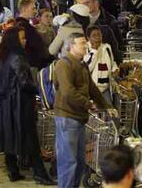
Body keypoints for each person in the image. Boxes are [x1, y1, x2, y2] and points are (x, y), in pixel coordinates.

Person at [53, 33, 115, 188]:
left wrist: (107, 106)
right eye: (82, 43)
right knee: (69, 162)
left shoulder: (82, 64)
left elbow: (92, 89)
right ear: (71, 46)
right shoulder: (63, 64)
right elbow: (67, 92)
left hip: (79, 119)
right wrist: (88, 104)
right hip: (67, 118)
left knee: (80, 162)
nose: (86, 45)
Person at [0, 26, 55, 185]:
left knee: (9, 135)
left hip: (6, 103)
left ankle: (13, 170)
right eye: (22, 38)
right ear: (15, 40)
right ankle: (40, 173)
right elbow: (24, 82)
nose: (25, 40)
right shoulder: (18, 57)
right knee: (31, 138)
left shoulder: (2, 56)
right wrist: (39, 90)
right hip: (20, 104)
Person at [82, 0, 123, 64]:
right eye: (83, 3)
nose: (84, 6)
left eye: (87, 3)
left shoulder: (110, 21)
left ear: (96, 3)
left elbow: (118, 43)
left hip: (105, 61)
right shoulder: (82, 21)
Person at [84, 25, 118, 103]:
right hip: (91, 90)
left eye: (99, 35)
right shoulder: (86, 48)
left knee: (109, 111)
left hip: (105, 88)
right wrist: (94, 50)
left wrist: (115, 69)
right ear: (88, 38)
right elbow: (87, 68)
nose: (97, 37)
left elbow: (112, 62)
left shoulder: (107, 47)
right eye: (94, 35)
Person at [16, 0, 52, 70]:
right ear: (24, 9)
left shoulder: (26, 26)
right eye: (33, 9)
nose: (35, 11)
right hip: (31, 65)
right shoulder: (23, 27)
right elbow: (36, 45)